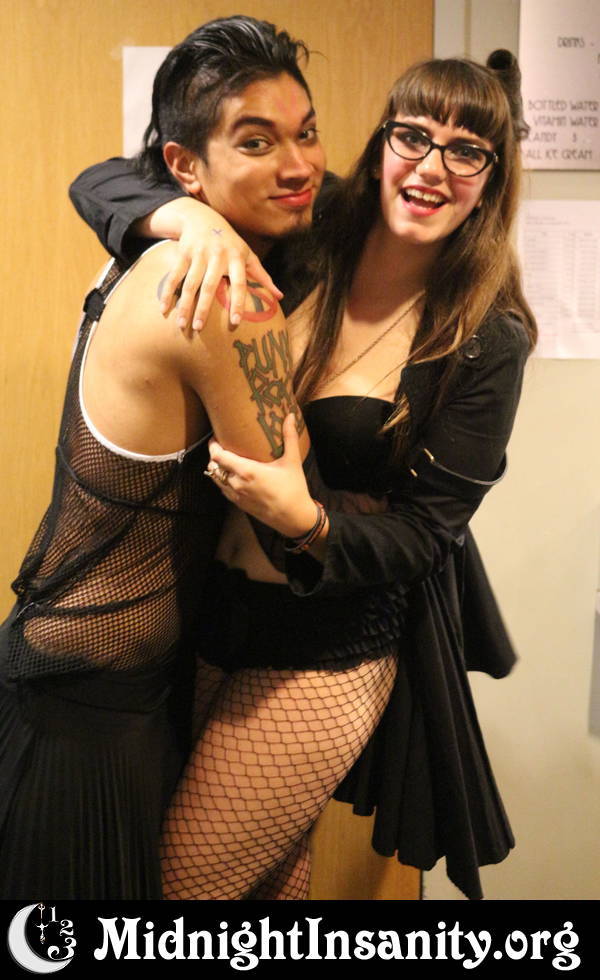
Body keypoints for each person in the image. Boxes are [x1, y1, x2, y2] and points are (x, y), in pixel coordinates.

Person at [70, 25, 535, 899]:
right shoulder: (313, 234)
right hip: (211, 612)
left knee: (183, 890)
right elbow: (100, 181)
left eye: (467, 152)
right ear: (384, 143)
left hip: (323, 650)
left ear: (492, 180)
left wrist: (308, 522)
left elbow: (426, 537)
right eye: (413, 136)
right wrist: (189, 217)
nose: (432, 168)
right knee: (266, 882)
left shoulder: (487, 339)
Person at [0, 17, 337, 900]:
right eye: (256, 142)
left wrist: (184, 213)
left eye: (306, 132)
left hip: (72, 671)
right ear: (185, 166)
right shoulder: (223, 288)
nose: (299, 164)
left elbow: (107, 179)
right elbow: (284, 507)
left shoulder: (153, 248)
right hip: (94, 715)